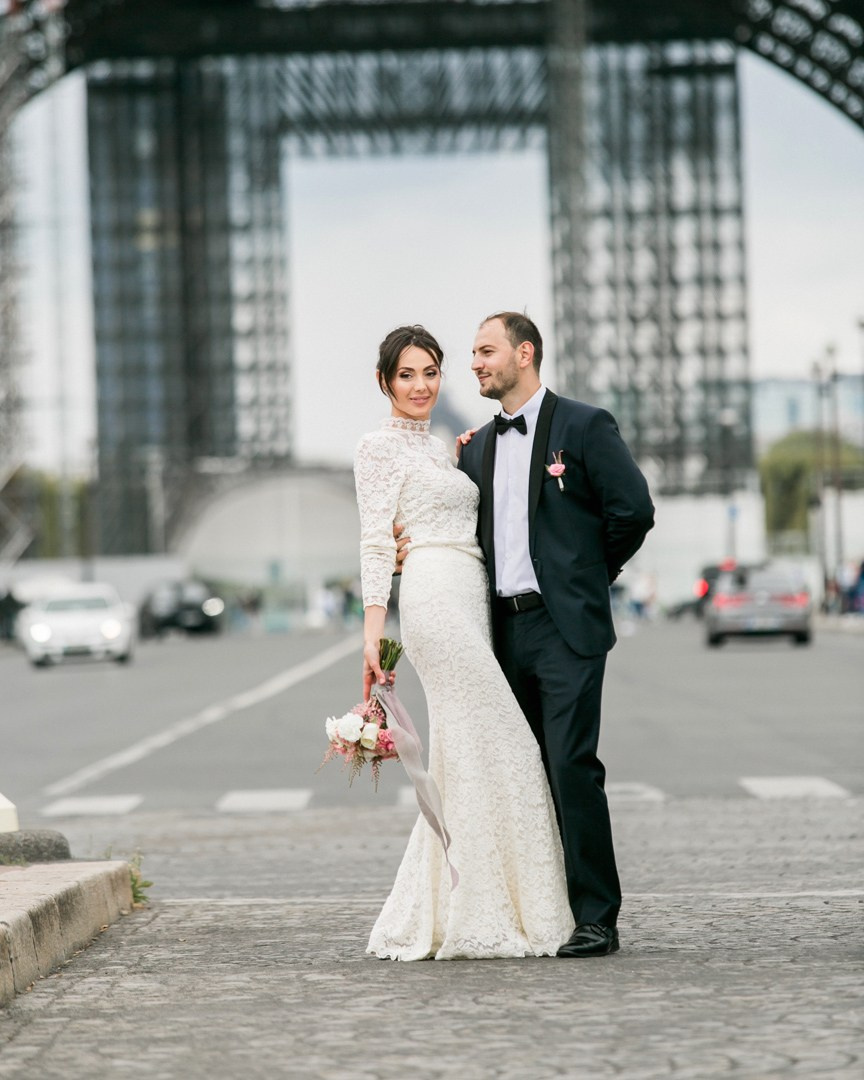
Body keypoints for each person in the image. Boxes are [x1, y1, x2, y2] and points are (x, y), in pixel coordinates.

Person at [356, 325, 574, 961]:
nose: (421, 386)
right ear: (385, 382)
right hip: (431, 602)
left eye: (430, 373)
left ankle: (464, 898)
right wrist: (374, 637)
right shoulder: (377, 449)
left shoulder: (446, 450)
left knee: (466, 752)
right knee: (504, 738)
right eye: (407, 375)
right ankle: (488, 903)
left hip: (473, 595)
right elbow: (375, 540)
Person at [454, 311, 655, 957]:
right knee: (520, 773)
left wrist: (587, 576)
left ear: (525, 352)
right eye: (474, 354)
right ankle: (538, 909)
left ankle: (596, 915)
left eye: (487, 351)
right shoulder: (476, 447)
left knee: (570, 767)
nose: (477, 363)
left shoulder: (584, 425)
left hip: (563, 626)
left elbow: (634, 510)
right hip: (499, 633)